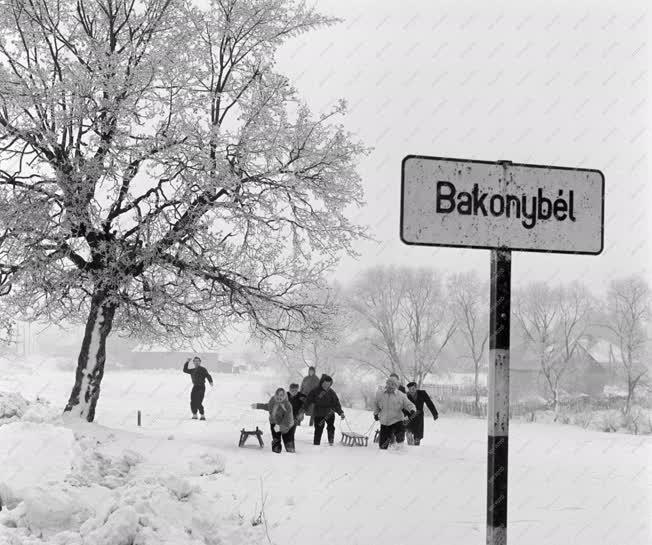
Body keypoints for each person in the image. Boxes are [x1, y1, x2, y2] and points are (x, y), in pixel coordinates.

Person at [299, 374, 345, 445]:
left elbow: (336, 403)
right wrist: (302, 411)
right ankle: (316, 443)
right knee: (319, 428)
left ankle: (331, 442)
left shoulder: (331, 392)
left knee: (331, 427)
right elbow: (308, 401)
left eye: (328, 384)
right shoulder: (315, 391)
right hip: (319, 413)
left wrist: (341, 412)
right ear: (322, 382)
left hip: (329, 413)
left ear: (330, 384)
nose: (326, 385)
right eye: (325, 383)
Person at [374, 377, 416, 449]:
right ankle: (385, 451)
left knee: (400, 435)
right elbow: (376, 404)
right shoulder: (380, 394)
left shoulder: (401, 395)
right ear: (386, 384)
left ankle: (400, 448)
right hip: (385, 422)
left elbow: (409, 404)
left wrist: (412, 410)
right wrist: (376, 414)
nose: (390, 386)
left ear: (396, 386)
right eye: (389, 384)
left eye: (393, 385)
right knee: (382, 446)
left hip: (397, 420)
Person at [251, 388, 296, 453]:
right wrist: (258, 406)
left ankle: (290, 450)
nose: (279, 397)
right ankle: (276, 450)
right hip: (274, 422)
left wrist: (280, 427)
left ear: (284, 396)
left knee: (288, 444)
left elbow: (288, 419)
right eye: (277, 395)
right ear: (275, 395)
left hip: (287, 426)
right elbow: (268, 406)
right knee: (276, 440)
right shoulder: (273, 401)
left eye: (281, 395)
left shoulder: (287, 405)